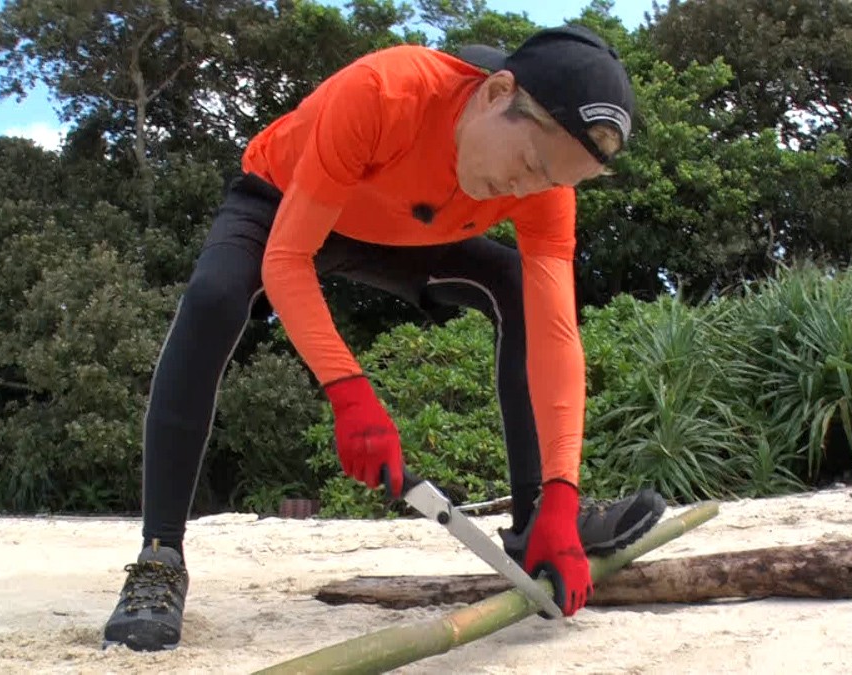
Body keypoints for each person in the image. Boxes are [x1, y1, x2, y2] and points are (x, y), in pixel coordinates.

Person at [102, 24, 668, 652]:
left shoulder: (543, 186)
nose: (523, 192)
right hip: (285, 198)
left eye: (549, 182)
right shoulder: (386, 94)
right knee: (212, 299)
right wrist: (349, 393)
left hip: (406, 229)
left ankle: (538, 519)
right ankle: (159, 558)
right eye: (529, 164)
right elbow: (287, 259)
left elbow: (559, 336)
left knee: (518, 288)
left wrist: (564, 490)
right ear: (496, 92)